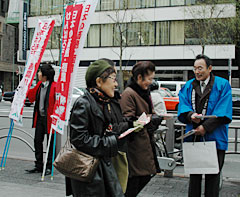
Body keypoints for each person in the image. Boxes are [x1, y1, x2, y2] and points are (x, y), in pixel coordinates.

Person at [65, 60, 135, 197]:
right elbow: (79, 139)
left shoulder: (104, 102)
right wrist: (111, 141)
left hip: (105, 166)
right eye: (113, 79)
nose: (116, 84)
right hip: (89, 173)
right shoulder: (83, 103)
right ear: (99, 81)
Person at [178, 54, 232, 197]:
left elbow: (223, 111)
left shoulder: (222, 85)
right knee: (194, 178)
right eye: (195, 68)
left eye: (200, 68)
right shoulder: (189, 85)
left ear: (210, 68)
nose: (197, 72)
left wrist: (205, 127)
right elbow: (183, 104)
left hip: (215, 137)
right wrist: (190, 116)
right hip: (194, 136)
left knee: (213, 178)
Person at [120, 61, 164, 197]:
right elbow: (129, 121)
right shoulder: (129, 94)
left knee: (143, 178)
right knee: (134, 183)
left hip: (144, 145)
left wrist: (154, 118)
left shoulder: (144, 92)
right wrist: (151, 119)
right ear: (139, 77)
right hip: (135, 147)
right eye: (149, 79)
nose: (151, 82)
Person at [26, 64, 57, 175]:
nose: (38, 74)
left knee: (50, 143)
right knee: (37, 141)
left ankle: (49, 166)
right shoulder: (39, 85)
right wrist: (25, 87)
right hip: (40, 118)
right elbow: (32, 96)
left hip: (50, 119)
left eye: (40, 72)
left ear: (45, 75)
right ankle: (39, 164)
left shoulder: (54, 86)